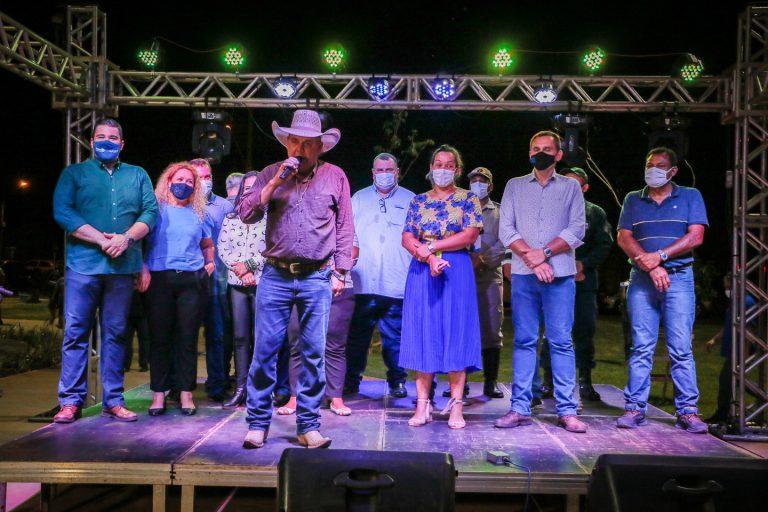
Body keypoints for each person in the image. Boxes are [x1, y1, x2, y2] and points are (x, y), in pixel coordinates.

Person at [238, 109, 352, 449]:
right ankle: (258, 423)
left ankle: (308, 426)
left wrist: (341, 272)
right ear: (287, 144)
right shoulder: (270, 173)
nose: (300, 149)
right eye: (295, 142)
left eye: (308, 144)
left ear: (320, 147)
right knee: (265, 351)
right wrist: (275, 183)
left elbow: (345, 226)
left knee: (314, 353)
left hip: (317, 277)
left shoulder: (335, 176)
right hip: (275, 275)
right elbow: (246, 214)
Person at [52, 118, 158, 423]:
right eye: (101, 137)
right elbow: (63, 211)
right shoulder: (74, 174)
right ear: (91, 141)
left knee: (116, 334)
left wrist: (126, 238)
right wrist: (102, 240)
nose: (107, 141)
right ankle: (71, 402)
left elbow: (150, 211)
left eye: (113, 137)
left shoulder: (138, 175)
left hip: (122, 268)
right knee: (75, 333)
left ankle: (113, 399)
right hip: (83, 266)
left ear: (122, 144)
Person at [495, 130, 587, 434]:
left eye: (547, 149)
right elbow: (506, 230)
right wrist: (531, 259)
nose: (541, 152)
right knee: (524, 340)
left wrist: (544, 254)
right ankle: (520, 407)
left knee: (561, 341)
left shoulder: (571, 188)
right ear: (529, 153)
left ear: (559, 155)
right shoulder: (514, 186)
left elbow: (577, 230)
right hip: (524, 275)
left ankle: (567, 410)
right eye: (536, 148)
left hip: (559, 274)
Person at [616, 147, 708, 433]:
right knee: (641, 345)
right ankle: (634, 408)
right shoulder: (634, 198)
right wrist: (651, 265)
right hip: (643, 279)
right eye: (649, 164)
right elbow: (624, 237)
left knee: (680, 348)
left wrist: (662, 257)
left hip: (679, 278)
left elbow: (696, 235)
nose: (653, 169)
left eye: (659, 165)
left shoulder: (690, 195)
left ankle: (688, 411)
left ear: (672, 171)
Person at [399, 144, 483, 430]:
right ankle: (423, 405)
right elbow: (407, 236)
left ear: (457, 170)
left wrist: (433, 247)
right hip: (422, 271)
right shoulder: (418, 200)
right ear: (431, 167)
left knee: (455, 332)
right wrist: (426, 255)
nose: (442, 169)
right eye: (438, 163)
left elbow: (469, 235)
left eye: (449, 165)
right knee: (425, 332)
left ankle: (456, 405)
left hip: (456, 270)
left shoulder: (468, 198)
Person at [138, 161, 215, 416]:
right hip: (159, 279)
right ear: (168, 181)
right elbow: (141, 244)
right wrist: (144, 267)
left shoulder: (198, 213)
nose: (184, 184)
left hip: (191, 281)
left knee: (187, 338)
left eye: (189, 182)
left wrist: (210, 264)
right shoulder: (155, 210)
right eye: (179, 179)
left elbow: (207, 244)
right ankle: (159, 394)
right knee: (159, 338)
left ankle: (185, 393)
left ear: (195, 188)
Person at [539, 168, 613, 403]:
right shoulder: (549, 209)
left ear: (585, 188)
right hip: (555, 279)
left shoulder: (595, 213)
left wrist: (584, 265)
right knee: (552, 332)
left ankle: (585, 382)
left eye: (575, 185)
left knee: (584, 331)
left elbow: (604, 244)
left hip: (584, 282)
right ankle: (549, 381)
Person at [344, 153, 414, 399]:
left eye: (389, 169)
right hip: (362, 281)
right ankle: (351, 381)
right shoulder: (358, 198)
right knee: (357, 338)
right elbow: (347, 233)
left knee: (394, 338)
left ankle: (397, 380)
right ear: (373, 172)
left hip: (396, 282)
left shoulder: (410, 199)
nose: (384, 173)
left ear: (397, 172)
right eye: (380, 169)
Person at [217, 171, 267, 408]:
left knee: (261, 338)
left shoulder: (271, 217)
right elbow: (222, 248)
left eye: (254, 188)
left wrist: (250, 266)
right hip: (237, 283)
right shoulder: (231, 218)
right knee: (239, 337)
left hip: (262, 283)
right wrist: (240, 270)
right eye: (246, 188)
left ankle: (260, 389)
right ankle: (240, 388)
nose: (249, 192)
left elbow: (272, 249)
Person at [279, 274, 355, 416]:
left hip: (337, 284)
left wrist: (336, 273)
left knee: (335, 344)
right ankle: (295, 397)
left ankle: (335, 397)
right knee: (297, 343)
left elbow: (352, 253)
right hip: (300, 283)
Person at [190, 159, 234, 402]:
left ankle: (217, 384)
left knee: (218, 336)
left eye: (207, 176)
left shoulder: (225, 207)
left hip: (217, 282)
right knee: (185, 335)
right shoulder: (181, 205)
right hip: (187, 282)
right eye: (199, 177)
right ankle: (181, 386)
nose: (204, 181)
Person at [467, 167, 506, 399]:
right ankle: (459, 382)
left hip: (490, 276)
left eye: (483, 181)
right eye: (474, 181)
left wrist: (482, 260)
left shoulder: (500, 212)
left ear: (490, 186)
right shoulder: (460, 207)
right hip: (463, 275)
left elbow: (505, 242)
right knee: (462, 327)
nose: (478, 184)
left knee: (492, 327)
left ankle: (490, 382)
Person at [705, 273, 756, 424]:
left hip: (741, 350)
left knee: (729, 381)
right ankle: (725, 413)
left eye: (728, 286)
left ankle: (724, 414)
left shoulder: (747, 302)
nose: (726, 289)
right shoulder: (734, 301)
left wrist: (744, 356)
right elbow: (729, 325)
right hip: (732, 349)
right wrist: (715, 339)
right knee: (731, 381)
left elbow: (749, 332)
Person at [122, 290, 150, 372]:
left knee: (143, 341)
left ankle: (142, 364)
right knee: (129, 341)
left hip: (140, 314)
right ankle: (127, 364)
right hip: (135, 314)